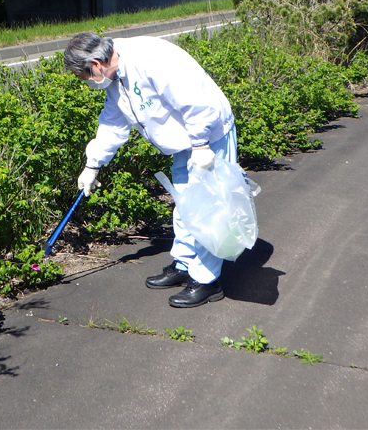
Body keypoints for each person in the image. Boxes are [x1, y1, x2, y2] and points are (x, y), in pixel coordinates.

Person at [63, 32, 237, 307]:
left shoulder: (151, 59)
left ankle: (207, 281)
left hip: (207, 134)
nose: (88, 84)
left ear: (96, 63)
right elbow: (113, 121)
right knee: (184, 204)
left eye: (85, 77)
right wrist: (92, 164)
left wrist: (202, 144)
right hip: (182, 141)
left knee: (208, 208)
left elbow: (195, 101)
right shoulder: (114, 75)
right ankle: (184, 264)